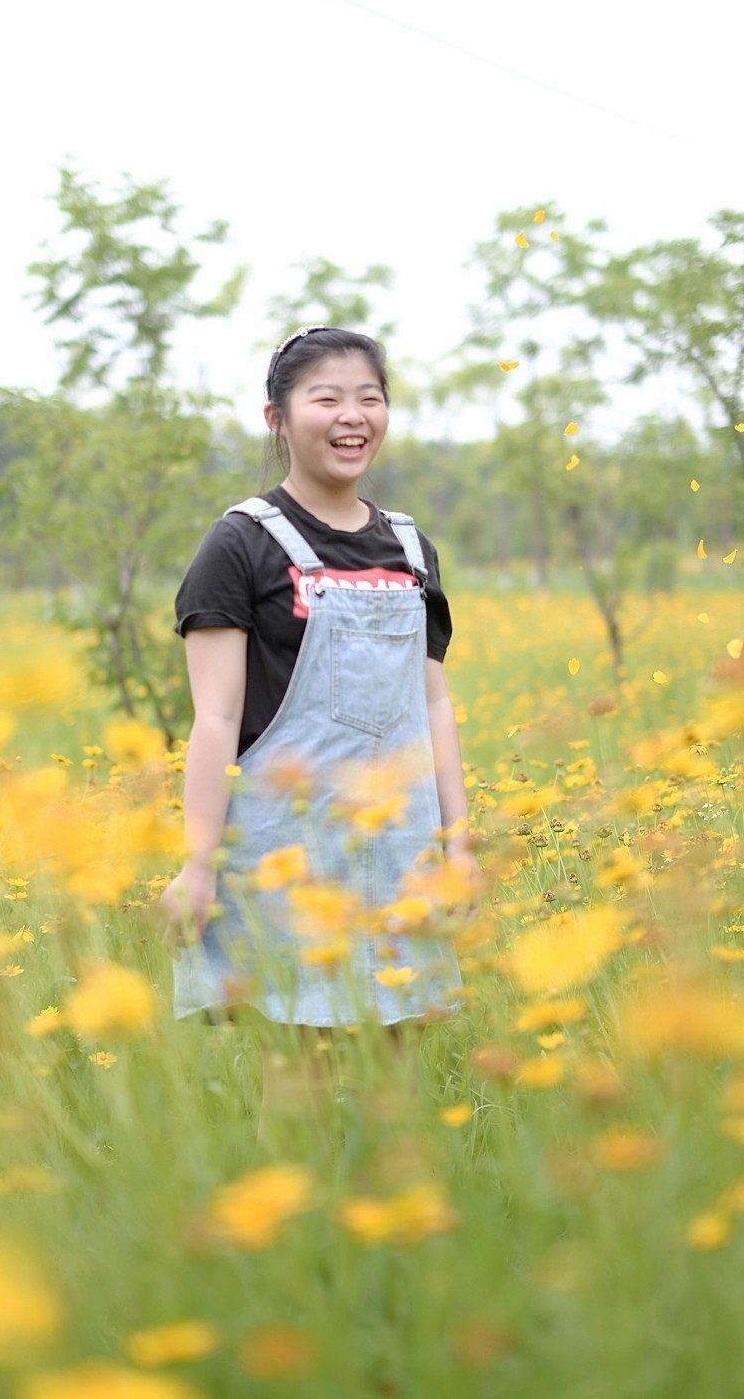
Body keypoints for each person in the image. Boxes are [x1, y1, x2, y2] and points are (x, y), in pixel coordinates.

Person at [154, 326, 483, 1139]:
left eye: (369, 398)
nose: (352, 416)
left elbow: (434, 704)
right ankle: (293, 1213)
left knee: (398, 1061)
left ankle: (391, 1211)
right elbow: (215, 720)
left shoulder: (410, 547)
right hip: (290, 850)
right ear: (277, 416)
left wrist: (459, 845)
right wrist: (198, 864)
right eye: (326, 398)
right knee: (299, 1065)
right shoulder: (240, 543)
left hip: (400, 843)